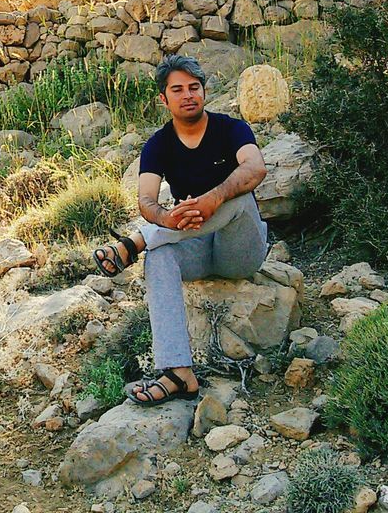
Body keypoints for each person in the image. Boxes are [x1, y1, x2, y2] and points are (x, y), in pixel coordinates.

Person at [92, 54, 269, 405]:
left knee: (236, 192)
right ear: (164, 99)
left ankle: (136, 241)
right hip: (196, 248)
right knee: (158, 259)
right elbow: (146, 201)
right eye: (178, 89)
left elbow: (257, 168)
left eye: (194, 87)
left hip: (240, 249)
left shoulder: (231, 128)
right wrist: (165, 218)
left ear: (203, 91)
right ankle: (178, 372)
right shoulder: (158, 144)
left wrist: (211, 199)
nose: (188, 95)